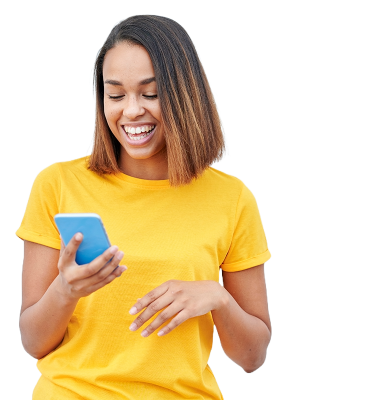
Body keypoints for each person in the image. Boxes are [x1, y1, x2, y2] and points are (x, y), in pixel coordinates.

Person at [16, 14, 272, 400]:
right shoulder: (57, 185)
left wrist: (217, 297)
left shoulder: (232, 199)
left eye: (150, 94)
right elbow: (33, 342)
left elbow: (251, 357)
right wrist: (66, 290)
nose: (131, 111)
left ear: (185, 94)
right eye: (115, 95)